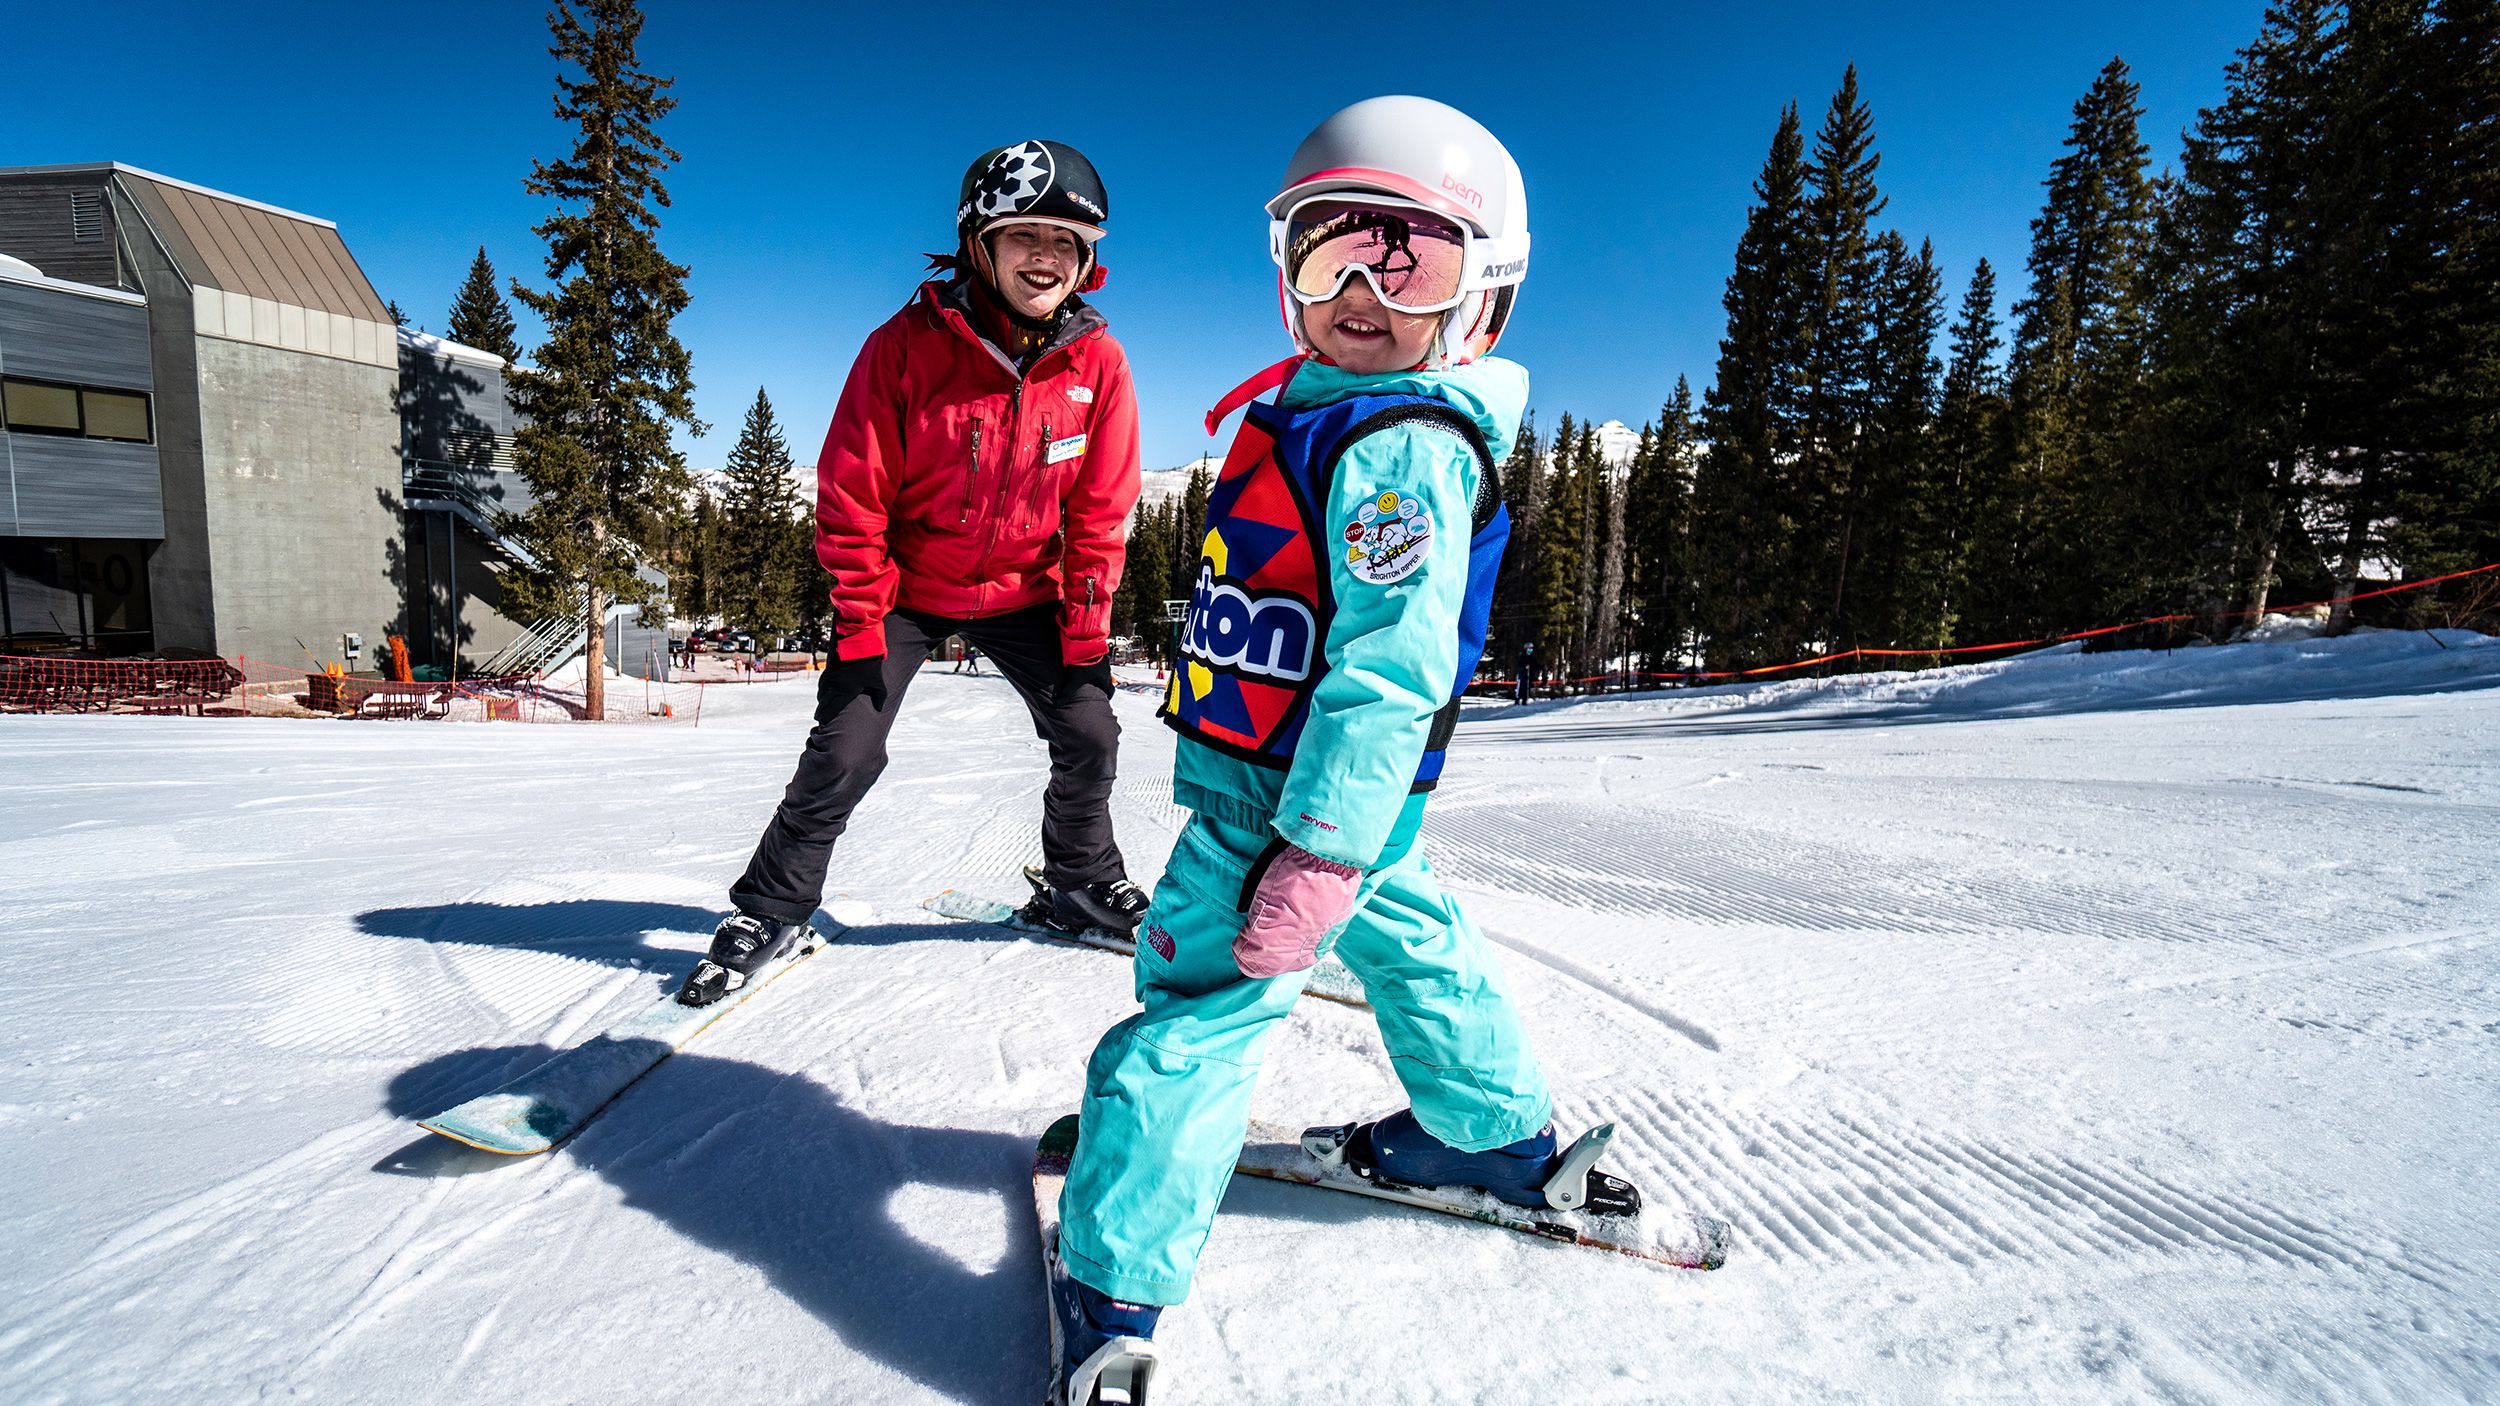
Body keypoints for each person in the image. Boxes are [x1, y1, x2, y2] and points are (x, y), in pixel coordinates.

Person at [1046, 97, 1569, 1402]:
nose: (1359, 289)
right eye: (1328, 247)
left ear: (1483, 297)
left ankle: (1112, 1279)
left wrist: (1318, 849)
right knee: (1417, 938)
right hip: (1347, 808)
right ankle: (1495, 1136)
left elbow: (1392, 668)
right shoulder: (1334, 416)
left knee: (1199, 1009)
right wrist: (1357, 845)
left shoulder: (1394, 445)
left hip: (1287, 810)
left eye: (1412, 260)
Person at [678, 140, 1148, 1007]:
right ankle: (773, 908)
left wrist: (1084, 635)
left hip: (1028, 593)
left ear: (1088, 260)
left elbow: (1099, 515)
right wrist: (861, 626)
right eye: (1025, 235)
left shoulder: (1099, 366)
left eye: (1066, 241)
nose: (1045, 256)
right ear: (981, 243)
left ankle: (1079, 881)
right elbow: (852, 495)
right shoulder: (903, 348)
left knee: (1090, 734)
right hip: (907, 588)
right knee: (848, 745)